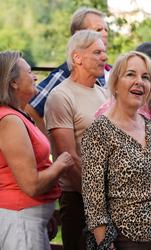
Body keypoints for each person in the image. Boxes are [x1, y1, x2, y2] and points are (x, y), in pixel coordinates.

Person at [81, 51, 151, 250]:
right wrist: (107, 245)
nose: (139, 81)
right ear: (115, 83)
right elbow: (94, 203)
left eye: (146, 77)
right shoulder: (98, 131)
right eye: (131, 74)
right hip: (122, 241)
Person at [0, 51, 73, 249]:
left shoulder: (18, 115)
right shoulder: (10, 121)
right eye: (30, 72)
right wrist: (61, 164)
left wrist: (44, 214)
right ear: (13, 82)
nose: (35, 77)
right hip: (20, 220)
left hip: (28, 219)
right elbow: (31, 185)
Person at [44, 30, 108, 250]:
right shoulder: (61, 96)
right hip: (78, 198)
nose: (105, 57)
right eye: (97, 52)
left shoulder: (104, 94)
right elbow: (68, 157)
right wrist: (98, 199)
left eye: (105, 52)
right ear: (77, 58)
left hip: (111, 196)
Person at [25, 7, 111, 134]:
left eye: (106, 29)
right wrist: (47, 141)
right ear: (78, 34)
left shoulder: (110, 70)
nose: (105, 33)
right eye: (98, 29)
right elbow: (31, 107)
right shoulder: (65, 72)